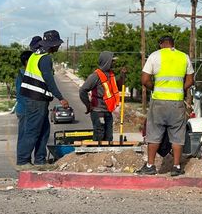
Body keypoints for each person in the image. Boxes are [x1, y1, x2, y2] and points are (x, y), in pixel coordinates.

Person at [136, 35, 194, 176]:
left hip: (159, 102)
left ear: (161, 44)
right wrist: (181, 90)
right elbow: (190, 80)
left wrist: (154, 87)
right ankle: (176, 167)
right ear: (173, 44)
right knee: (177, 135)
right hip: (177, 102)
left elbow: (144, 79)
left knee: (154, 134)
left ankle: (150, 165)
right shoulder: (184, 57)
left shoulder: (155, 56)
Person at [16, 30, 69, 170]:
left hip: (36, 99)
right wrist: (61, 98)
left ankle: (40, 160)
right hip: (36, 99)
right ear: (52, 45)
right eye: (58, 44)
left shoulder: (35, 55)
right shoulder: (45, 59)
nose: (59, 47)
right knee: (32, 131)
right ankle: (22, 162)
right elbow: (49, 80)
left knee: (44, 130)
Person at [79, 51, 126, 142]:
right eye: (112, 61)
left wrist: (122, 76)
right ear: (107, 61)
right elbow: (82, 90)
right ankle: (96, 155)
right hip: (98, 111)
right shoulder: (95, 76)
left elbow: (117, 87)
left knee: (108, 136)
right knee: (100, 134)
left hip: (108, 111)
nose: (114, 63)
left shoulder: (110, 75)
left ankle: (105, 156)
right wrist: (88, 105)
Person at [15, 50, 34, 160]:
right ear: (27, 61)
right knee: (24, 136)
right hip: (25, 110)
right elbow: (21, 95)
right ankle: (22, 160)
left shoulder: (28, 73)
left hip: (28, 109)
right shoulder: (23, 75)